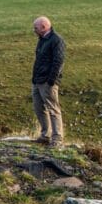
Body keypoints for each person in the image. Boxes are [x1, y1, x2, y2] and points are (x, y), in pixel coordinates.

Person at [31, 16, 66, 147]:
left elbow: (59, 61)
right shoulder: (42, 40)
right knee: (38, 107)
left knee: (53, 109)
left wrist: (51, 81)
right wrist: (34, 79)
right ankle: (45, 134)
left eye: (36, 28)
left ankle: (57, 138)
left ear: (44, 27)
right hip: (37, 81)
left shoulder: (56, 40)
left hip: (47, 82)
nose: (34, 30)